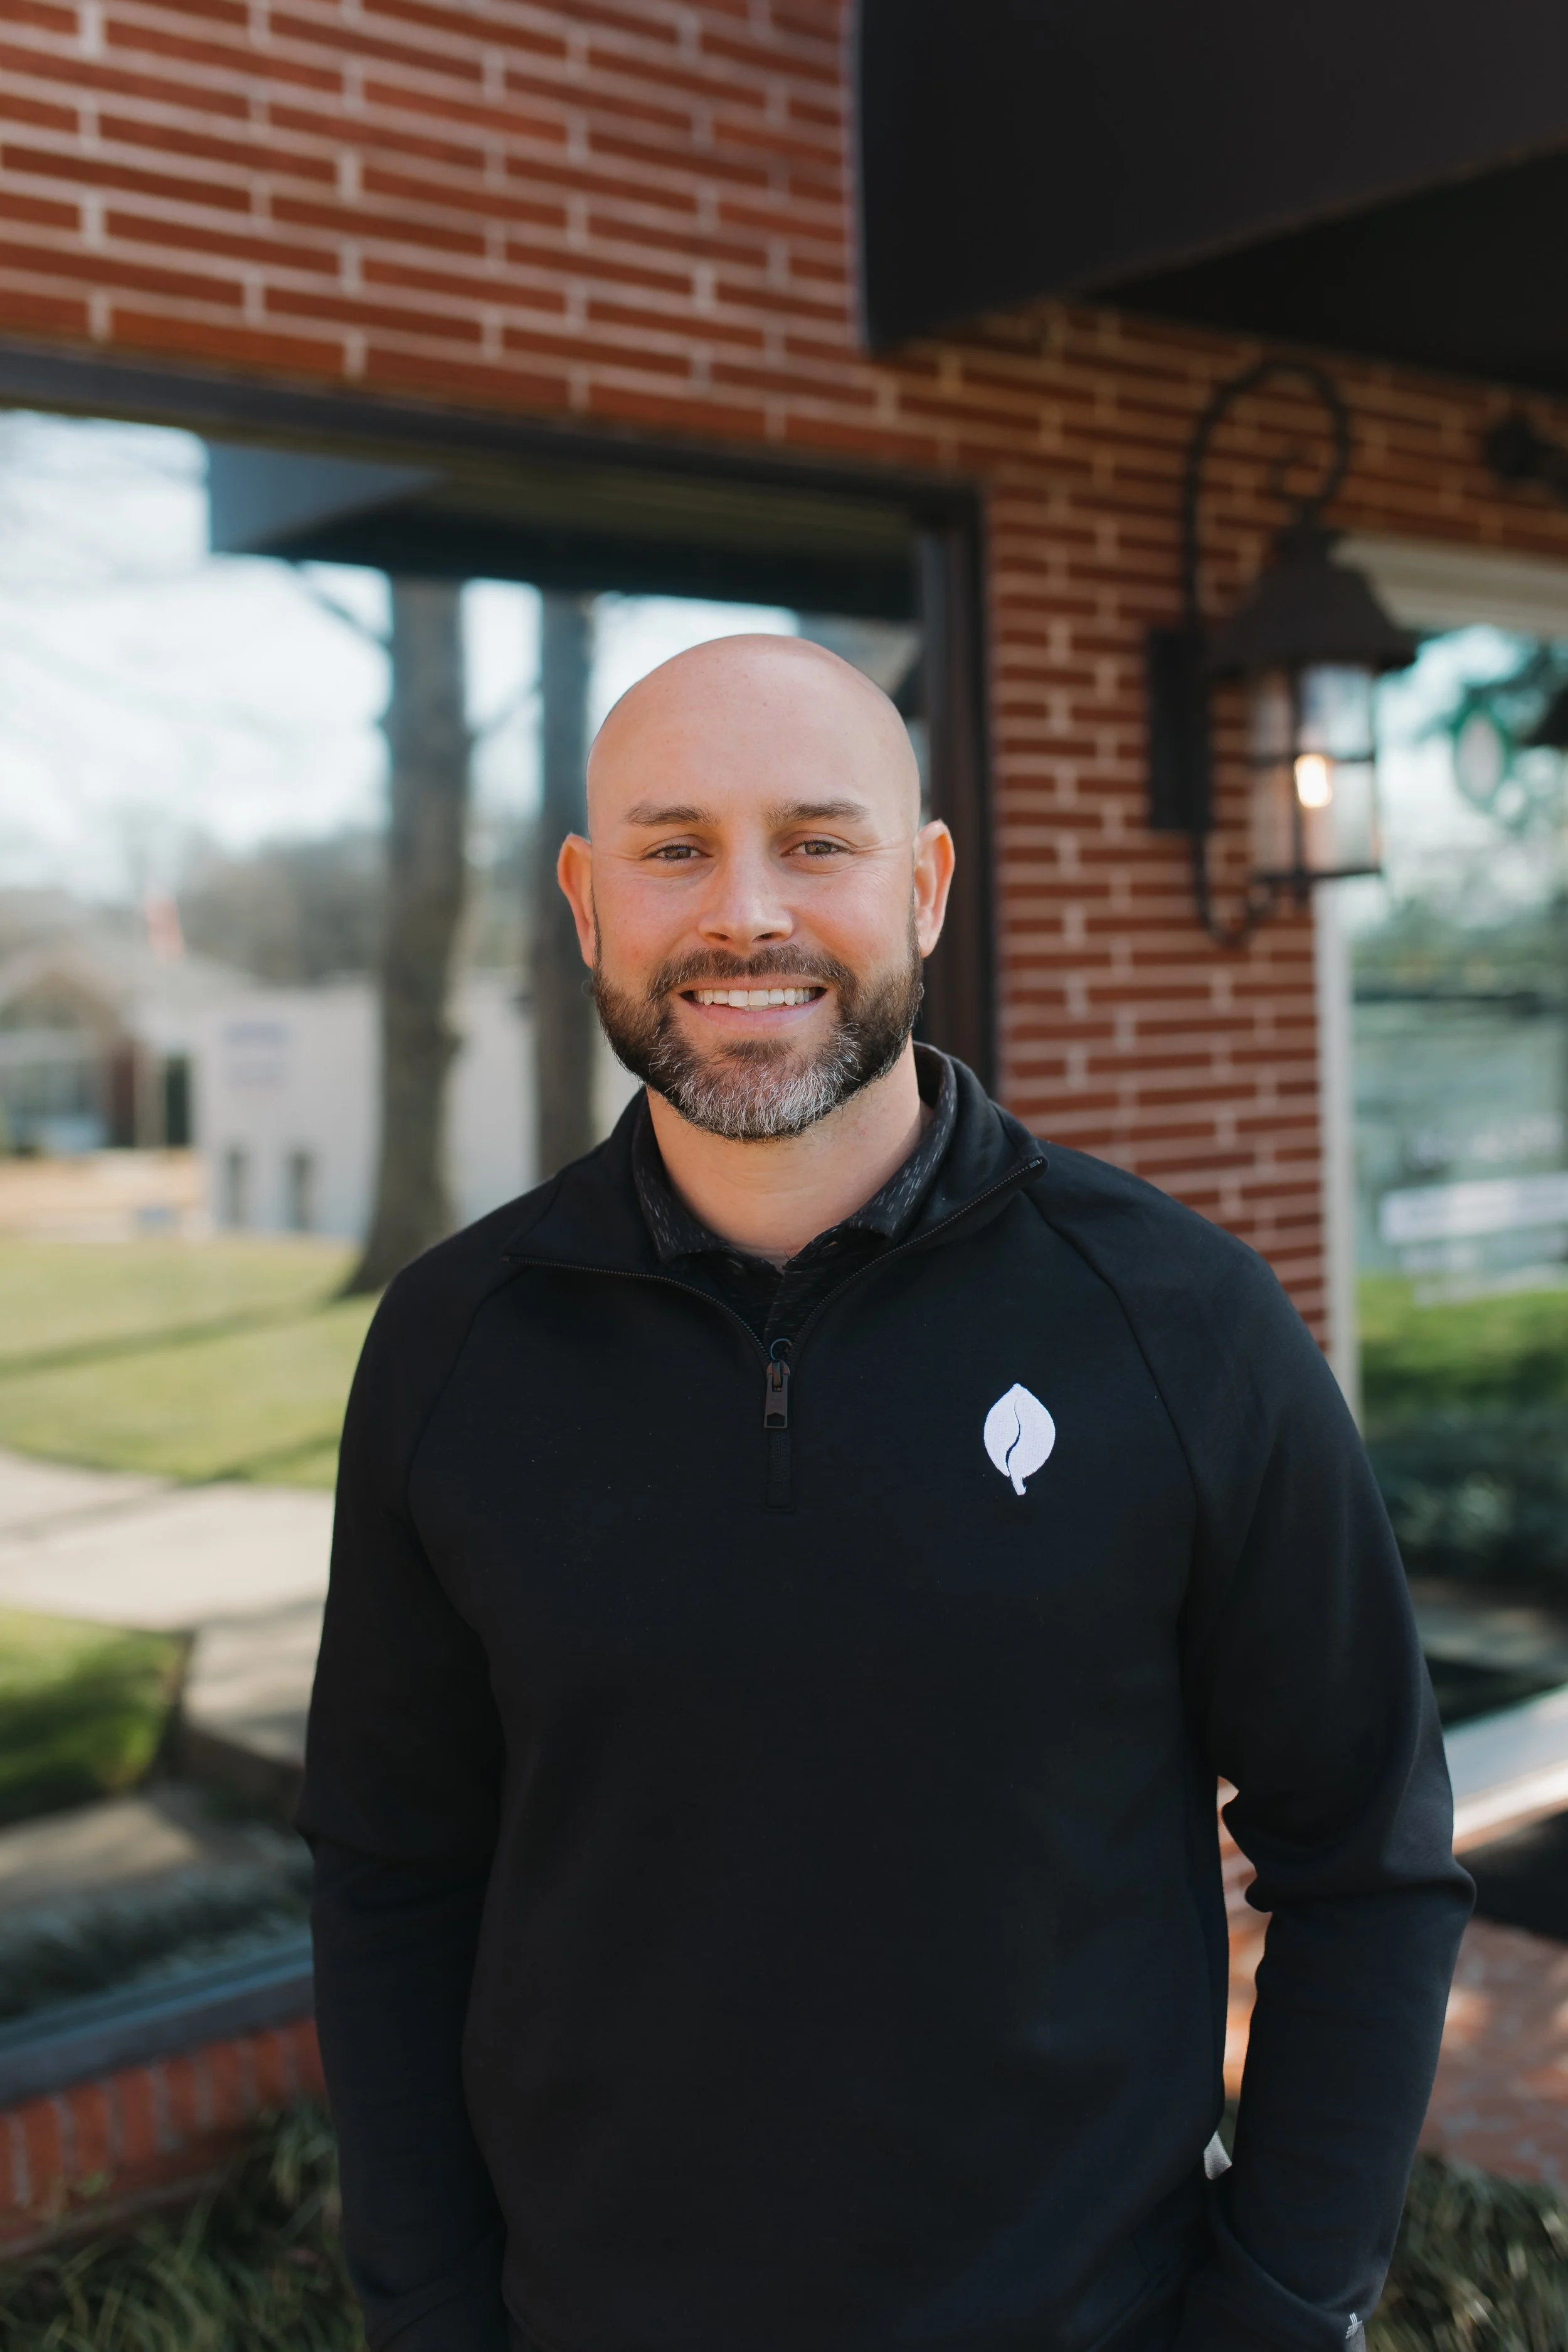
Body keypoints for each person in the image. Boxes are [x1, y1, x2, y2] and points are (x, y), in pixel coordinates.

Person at [300, 635, 1470, 2352]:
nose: (745, 912)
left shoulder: (1175, 1320)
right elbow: (392, 1871)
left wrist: (1277, 2310)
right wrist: (429, 2313)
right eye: (675, 845)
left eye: (817, 841)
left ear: (924, 887)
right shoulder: (454, 1345)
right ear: (584, 899)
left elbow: (1364, 1853)